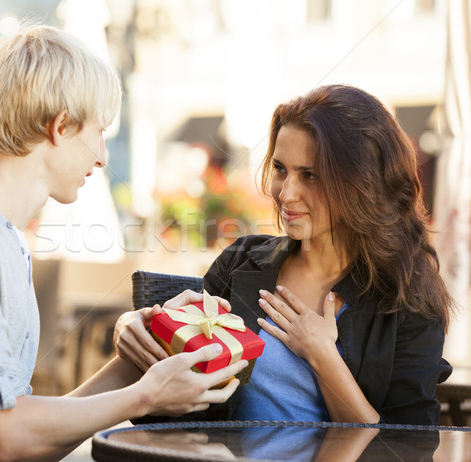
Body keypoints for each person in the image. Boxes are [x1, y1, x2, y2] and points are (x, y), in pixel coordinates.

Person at [0, 25, 248, 461]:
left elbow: (30, 435)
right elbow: (5, 435)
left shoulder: (5, 239)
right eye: (98, 132)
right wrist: (146, 397)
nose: (103, 157)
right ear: (61, 125)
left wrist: (138, 363)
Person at [115, 84, 453, 426]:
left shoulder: (407, 301)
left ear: (362, 183)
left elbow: (407, 447)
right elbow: (171, 400)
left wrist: (323, 356)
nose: (286, 193)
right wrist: (137, 329)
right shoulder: (241, 262)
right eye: (280, 170)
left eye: (310, 175)